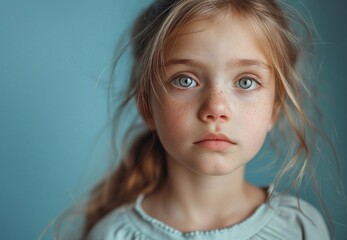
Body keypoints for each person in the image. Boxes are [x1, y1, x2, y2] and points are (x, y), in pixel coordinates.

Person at [81, 0, 332, 239]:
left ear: (274, 109)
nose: (216, 108)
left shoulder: (299, 228)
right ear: (147, 107)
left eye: (246, 82)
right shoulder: (113, 235)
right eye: (185, 80)